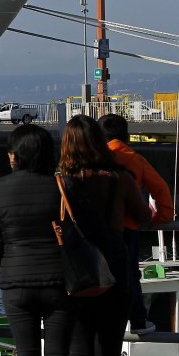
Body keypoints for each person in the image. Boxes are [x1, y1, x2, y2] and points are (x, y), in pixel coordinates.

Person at [0, 125, 77, 356]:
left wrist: (6, 263)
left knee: (25, 349)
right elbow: (90, 229)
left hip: (16, 281)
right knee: (58, 349)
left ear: (16, 155)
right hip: (59, 281)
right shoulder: (63, 187)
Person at [60, 116, 151, 356]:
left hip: (76, 270)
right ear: (100, 141)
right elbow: (143, 215)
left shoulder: (61, 183)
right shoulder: (120, 178)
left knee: (79, 343)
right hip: (113, 265)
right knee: (109, 345)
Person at [99, 112, 174, 335]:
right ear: (127, 137)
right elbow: (161, 190)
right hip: (128, 228)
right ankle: (138, 320)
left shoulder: (94, 157)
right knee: (130, 275)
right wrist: (162, 219)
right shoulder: (135, 159)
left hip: (97, 229)